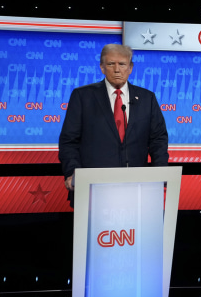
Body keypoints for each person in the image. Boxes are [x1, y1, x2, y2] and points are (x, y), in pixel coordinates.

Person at [59, 44, 169, 197]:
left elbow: (158, 139)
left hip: (137, 188)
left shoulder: (147, 98)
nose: (117, 70)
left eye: (122, 64)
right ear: (102, 67)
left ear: (130, 68)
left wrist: (160, 172)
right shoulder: (83, 96)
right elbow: (69, 141)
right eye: (111, 64)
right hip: (93, 188)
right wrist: (72, 173)